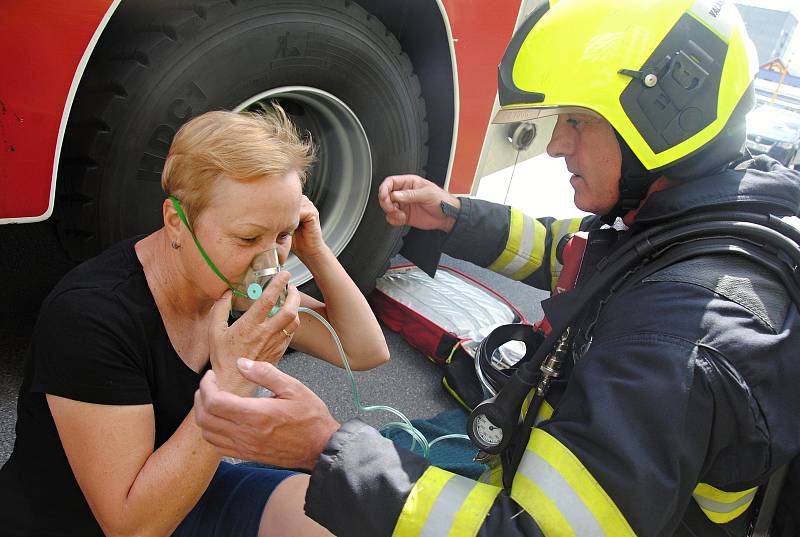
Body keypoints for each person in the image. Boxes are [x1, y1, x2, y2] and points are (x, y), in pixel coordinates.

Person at [193, 1, 800, 535]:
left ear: (662, 121)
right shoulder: (685, 223)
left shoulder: (675, 347)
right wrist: (453, 216)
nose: (558, 143)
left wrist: (327, 448)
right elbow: (571, 252)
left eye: (579, 122)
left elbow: (527, 530)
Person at [0, 106, 389, 536]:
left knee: (340, 515)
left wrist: (312, 247)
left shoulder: (233, 286)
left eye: (281, 235)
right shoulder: (91, 319)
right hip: (95, 520)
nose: (271, 262)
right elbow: (133, 528)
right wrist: (231, 382)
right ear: (175, 222)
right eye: (247, 237)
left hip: (191, 490)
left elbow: (364, 349)